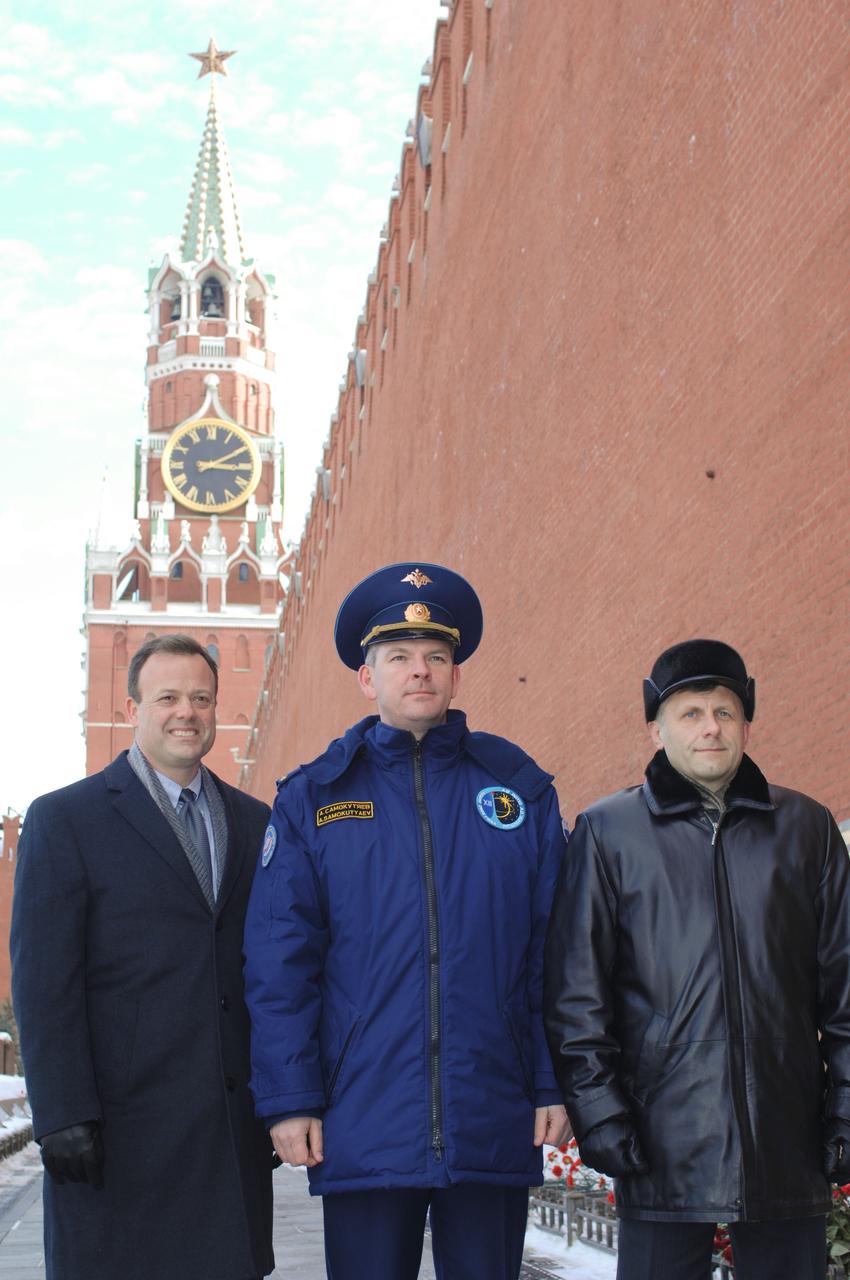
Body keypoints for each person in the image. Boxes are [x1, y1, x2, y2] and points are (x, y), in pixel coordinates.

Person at [243, 562, 569, 1280]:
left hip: (492, 1106)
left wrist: (550, 1082)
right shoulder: (314, 800)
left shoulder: (517, 793)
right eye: (398, 658)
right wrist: (291, 1098)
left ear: (455, 674)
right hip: (362, 1114)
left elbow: (556, 951)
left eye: (435, 657)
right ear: (368, 678)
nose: (419, 671)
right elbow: (279, 964)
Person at [543, 639, 850, 1280]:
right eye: (691, 712)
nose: (711, 726)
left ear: (744, 723)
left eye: (725, 711)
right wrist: (599, 1112)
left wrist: (845, 1109)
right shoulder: (607, 833)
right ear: (657, 728)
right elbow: (578, 992)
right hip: (659, 1141)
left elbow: (844, 986)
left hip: (784, 1136)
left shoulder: (806, 828)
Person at [11, 634, 274, 1280]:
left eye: (201, 699)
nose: (186, 712)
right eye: (168, 697)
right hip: (117, 1138)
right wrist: (61, 1114)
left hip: (225, 1134)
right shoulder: (66, 820)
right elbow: (46, 983)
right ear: (134, 707)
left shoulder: (254, 823)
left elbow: (272, 972)